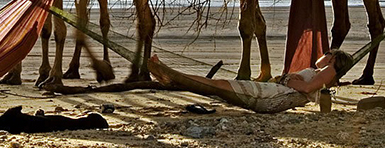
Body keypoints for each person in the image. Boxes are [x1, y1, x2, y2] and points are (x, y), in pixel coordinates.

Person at [148, 49, 354, 113]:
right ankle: (172, 78)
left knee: (218, 85)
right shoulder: (324, 71)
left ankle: (171, 75)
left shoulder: (328, 70)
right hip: (274, 93)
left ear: (333, 59)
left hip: (273, 95)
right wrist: (291, 78)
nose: (323, 54)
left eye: (328, 52)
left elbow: (307, 88)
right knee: (218, 86)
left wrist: (290, 80)